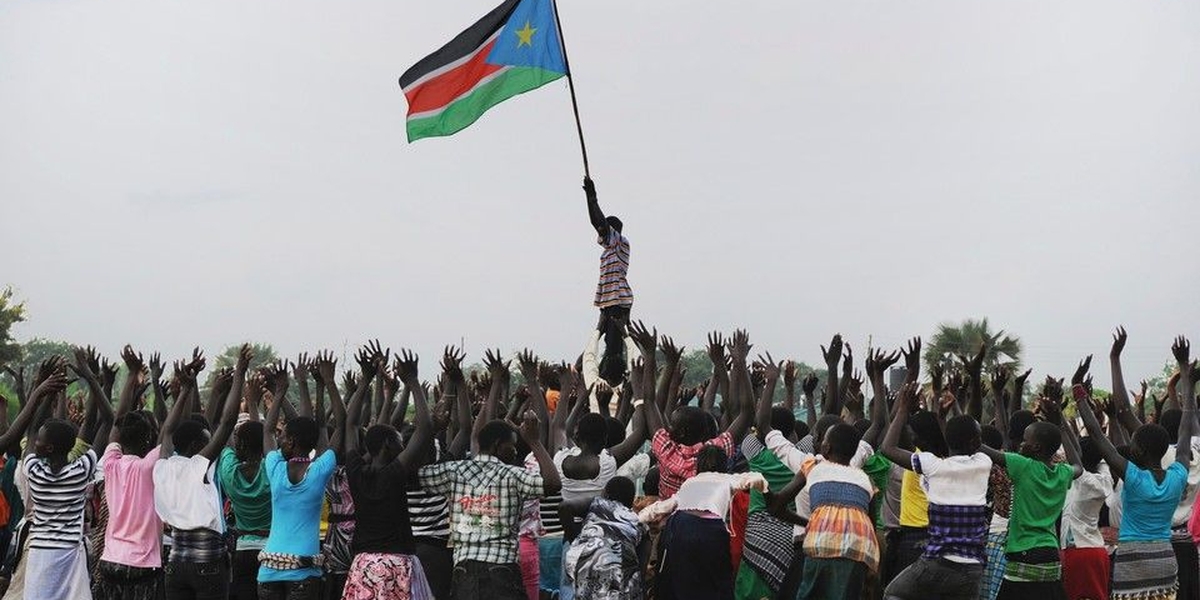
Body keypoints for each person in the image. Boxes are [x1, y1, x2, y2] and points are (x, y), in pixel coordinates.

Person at [1077, 338, 1195, 600]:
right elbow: (1186, 426)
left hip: (1132, 561)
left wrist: (1079, 392)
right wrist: (1185, 371)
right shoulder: (1177, 476)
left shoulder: (1134, 477)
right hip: (1165, 558)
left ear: (1139, 451)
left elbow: (1098, 436)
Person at [418, 413, 562, 600]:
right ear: (497, 445)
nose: (516, 451)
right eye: (512, 445)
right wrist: (535, 442)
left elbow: (415, 474)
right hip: (502, 571)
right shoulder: (513, 475)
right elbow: (553, 483)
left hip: (464, 572)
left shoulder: (454, 470)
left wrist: (432, 431)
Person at [880, 383, 994, 600]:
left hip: (937, 562)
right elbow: (965, 437)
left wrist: (903, 408)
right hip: (973, 568)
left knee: (892, 593)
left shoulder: (933, 466)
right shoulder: (983, 463)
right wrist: (948, 415)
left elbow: (887, 449)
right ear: (976, 442)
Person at [341, 349, 436, 600]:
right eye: (398, 442)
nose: (402, 447)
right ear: (387, 445)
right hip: (395, 564)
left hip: (363, 565)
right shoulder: (393, 474)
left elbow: (349, 425)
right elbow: (425, 428)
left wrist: (365, 379)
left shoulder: (355, 470)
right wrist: (413, 381)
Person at [153, 346, 246, 600]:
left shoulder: (162, 466)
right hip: (207, 557)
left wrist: (183, 391)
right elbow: (227, 423)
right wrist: (240, 375)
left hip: (175, 558)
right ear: (196, 447)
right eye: (206, 441)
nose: (210, 444)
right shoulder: (199, 465)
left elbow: (169, 430)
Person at [978, 374, 1081, 600]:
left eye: (1025, 440)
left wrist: (971, 432)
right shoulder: (1061, 472)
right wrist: (1061, 425)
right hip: (1050, 554)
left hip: (1024, 553)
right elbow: (1078, 466)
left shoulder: (1023, 466)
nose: (1021, 443)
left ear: (1035, 447)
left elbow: (986, 450)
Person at [257, 350, 339, 600]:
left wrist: (280, 390)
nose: (279, 439)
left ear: (291, 441)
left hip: (269, 570)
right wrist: (324, 384)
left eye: (284, 437)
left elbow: (268, 430)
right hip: (304, 573)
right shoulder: (320, 470)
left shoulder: (275, 468)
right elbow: (332, 426)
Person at [87, 344, 166, 600]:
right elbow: (169, 430)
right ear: (148, 441)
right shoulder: (147, 467)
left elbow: (115, 423)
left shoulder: (110, 464)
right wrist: (182, 391)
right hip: (143, 566)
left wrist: (131, 376)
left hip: (110, 560)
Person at [642, 445, 768, 600]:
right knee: (717, 581)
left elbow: (665, 506)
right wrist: (765, 489)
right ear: (725, 466)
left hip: (680, 526)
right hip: (712, 532)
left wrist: (638, 519)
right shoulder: (727, 479)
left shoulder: (690, 482)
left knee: (677, 580)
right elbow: (754, 478)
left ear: (698, 466)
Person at [770, 423, 878, 600]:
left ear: (826, 447)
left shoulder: (813, 465)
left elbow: (776, 507)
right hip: (860, 548)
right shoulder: (866, 480)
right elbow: (871, 526)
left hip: (822, 543)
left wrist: (765, 492)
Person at [216, 366, 289, 600]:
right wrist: (254, 403)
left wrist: (236, 392)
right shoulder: (272, 470)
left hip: (243, 549)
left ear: (241, 446)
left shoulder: (229, 472)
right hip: (272, 547)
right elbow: (264, 436)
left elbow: (225, 428)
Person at [583, 176, 633, 388]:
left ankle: (612, 379)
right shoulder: (609, 249)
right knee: (609, 340)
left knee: (613, 343)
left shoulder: (619, 242)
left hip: (617, 299)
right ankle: (608, 374)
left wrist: (591, 196)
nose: (599, 236)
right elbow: (598, 224)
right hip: (609, 300)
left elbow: (598, 221)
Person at [560, 476, 645, 600]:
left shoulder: (597, 503)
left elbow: (564, 507)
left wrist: (575, 541)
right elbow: (641, 561)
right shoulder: (638, 522)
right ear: (631, 501)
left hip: (585, 559)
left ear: (605, 492)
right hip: (619, 567)